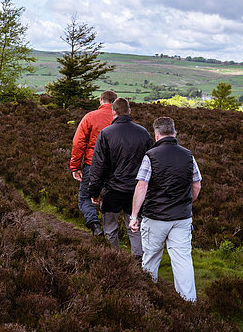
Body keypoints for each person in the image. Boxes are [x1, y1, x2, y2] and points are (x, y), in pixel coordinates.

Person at [129, 117, 202, 302]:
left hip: (155, 218)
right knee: (183, 260)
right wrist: (186, 203)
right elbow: (197, 185)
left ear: (156, 134)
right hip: (182, 218)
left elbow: (141, 186)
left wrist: (134, 215)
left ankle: (148, 300)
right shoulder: (188, 155)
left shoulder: (151, 156)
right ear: (174, 133)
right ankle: (188, 304)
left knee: (151, 259)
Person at [88, 98, 153, 258]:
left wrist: (94, 191)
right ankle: (139, 263)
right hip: (136, 191)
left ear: (113, 112)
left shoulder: (106, 134)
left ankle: (114, 261)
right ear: (129, 111)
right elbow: (152, 163)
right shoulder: (143, 133)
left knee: (110, 228)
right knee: (135, 227)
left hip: (112, 191)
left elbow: (98, 167)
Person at [70, 90, 118, 236]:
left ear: (101, 100)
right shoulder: (121, 119)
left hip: (92, 165)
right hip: (116, 168)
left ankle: (95, 225)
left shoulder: (90, 117)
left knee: (85, 198)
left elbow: (78, 143)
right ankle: (112, 234)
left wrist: (75, 166)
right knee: (111, 200)